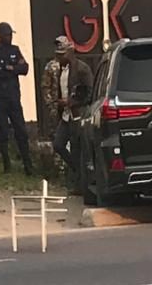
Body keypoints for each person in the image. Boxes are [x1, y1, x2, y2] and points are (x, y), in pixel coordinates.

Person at [0, 22, 34, 175]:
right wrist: (12, 70)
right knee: (3, 132)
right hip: (0, 98)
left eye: (10, 34)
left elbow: (25, 68)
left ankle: (28, 165)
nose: (10, 37)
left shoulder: (15, 50)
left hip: (14, 97)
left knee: (21, 131)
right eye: (7, 35)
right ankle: (7, 165)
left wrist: (10, 68)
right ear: (0, 35)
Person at [51, 36, 93, 193]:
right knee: (58, 144)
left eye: (62, 54)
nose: (59, 57)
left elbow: (89, 93)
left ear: (70, 52)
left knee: (77, 148)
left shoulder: (82, 69)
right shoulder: (61, 70)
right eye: (57, 54)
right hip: (66, 115)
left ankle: (80, 183)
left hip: (78, 114)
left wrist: (72, 102)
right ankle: (78, 173)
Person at [41, 56, 62, 138]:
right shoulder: (51, 66)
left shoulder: (73, 65)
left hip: (70, 104)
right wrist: (50, 103)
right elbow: (45, 86)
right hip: (55, 104)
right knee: (55, 131)